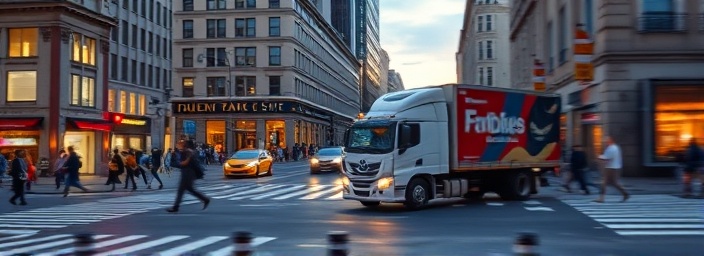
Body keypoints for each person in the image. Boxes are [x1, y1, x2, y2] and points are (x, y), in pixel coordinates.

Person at [166, 140, 210, 213]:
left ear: (183, 145)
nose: (177, 145)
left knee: (182, 190)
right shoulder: (189, 151)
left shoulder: (186, 152)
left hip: (187, 172)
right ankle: (205, 199)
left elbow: (184, 163)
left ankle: (175, 207)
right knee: (189, 189)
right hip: (188, 172)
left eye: (179, 143)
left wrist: (178, 163)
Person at [593, 136, 629, 203]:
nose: (605, 143)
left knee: (605, 182)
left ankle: (601, 198)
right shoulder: (613, 147)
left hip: (611, 168)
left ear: (610, 141)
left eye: (606, 141)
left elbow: (607, 158)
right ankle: (625, 194)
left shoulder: (612, 148)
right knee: (613, 183)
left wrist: (599, 157)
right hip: (613, 167)